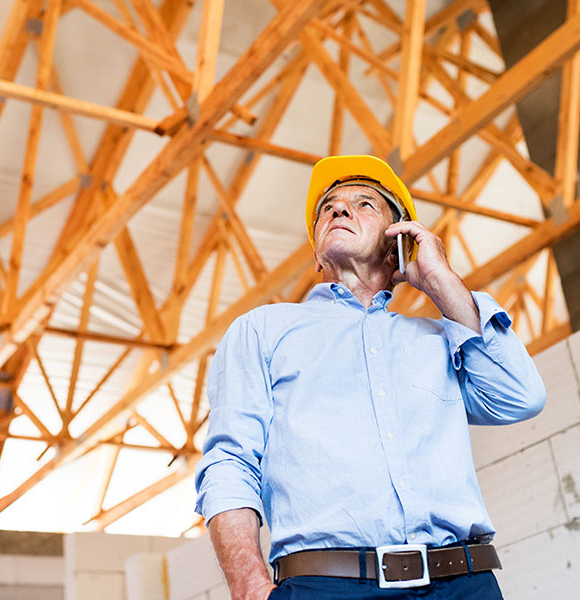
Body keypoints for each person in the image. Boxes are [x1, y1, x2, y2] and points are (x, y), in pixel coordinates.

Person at [194, 155, 546, 599]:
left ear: (397, 242)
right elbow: (230, 462)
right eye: (329, 208)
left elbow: (520, 397)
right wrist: (248, 586)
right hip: (328, 587)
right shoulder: (263, 330)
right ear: (316, 252)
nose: (339, 210)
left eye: (365, 204)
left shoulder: (441, 338)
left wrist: (441, 282)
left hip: (463, 583)